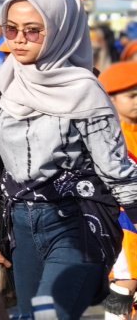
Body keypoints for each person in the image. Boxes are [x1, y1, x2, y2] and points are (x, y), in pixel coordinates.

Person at [0, 0, 137, 320]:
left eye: (33, 30)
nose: (18, 39)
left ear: (60, 29)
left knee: (49, 316)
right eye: (11, 28)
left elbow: (118, 173)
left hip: (76, 221)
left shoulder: (84, 90)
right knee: (27, 315)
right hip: (19, 224)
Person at [100, 62, 137, 319]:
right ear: (111, 99)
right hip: (123, 221)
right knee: (125, 283)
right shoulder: (109, 136)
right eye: (131, 95)